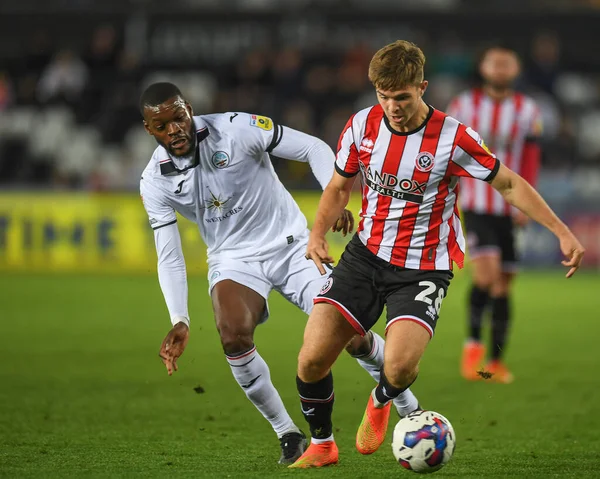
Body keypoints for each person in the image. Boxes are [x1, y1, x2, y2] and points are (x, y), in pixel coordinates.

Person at [288, 40, 584, 468]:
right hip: (364, 256)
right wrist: (317, 234)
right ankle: (322, 446)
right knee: (311, 358)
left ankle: (382, 398)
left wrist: (561, 231)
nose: (392, 106)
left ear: (422, 87)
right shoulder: (361, 125)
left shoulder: (454, 137)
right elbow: (338, 187)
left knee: (400, 369)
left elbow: (509, 184)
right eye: (383, 96)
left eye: (402, 97)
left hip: (424, 268)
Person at [138, 82, 420, 465]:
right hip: (233, 259)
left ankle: (407, 405)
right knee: (233, 338)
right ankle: (288, 434)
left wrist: (331, 201)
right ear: (149, 129)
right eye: (162, 125)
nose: (174, 130)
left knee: (351, 336)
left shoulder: (237, 128)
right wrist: (180, 319)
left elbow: (314, 148)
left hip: (293, 246)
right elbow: (168, 254)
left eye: (178, 118)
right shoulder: (154, 181)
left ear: (189, 109)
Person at [447, 44, 543, 383]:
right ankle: (471, 349)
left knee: (504, 284)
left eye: (507, 62)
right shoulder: (463, 105)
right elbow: (450, 152)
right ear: (484, 67)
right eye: (495, 62)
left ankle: (495, 360)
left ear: (515, 69)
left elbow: (530, 158)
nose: (500, 68)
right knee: (485, 277)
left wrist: (527, 202)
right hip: (476, 204)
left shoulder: (528, 109)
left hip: (511, 207)